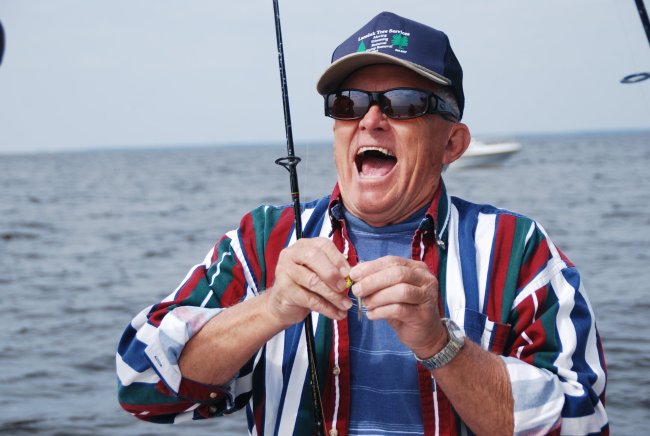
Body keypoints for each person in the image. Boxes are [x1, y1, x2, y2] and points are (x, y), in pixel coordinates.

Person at [116, 11, 608, 435]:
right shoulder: (262, 240)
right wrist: (271, 308)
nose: (370, 121)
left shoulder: (518, 249)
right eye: (348, 103)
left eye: (405, 103)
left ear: (452, 144)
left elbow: (584, 423)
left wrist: (441, 344)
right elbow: (142, 384)